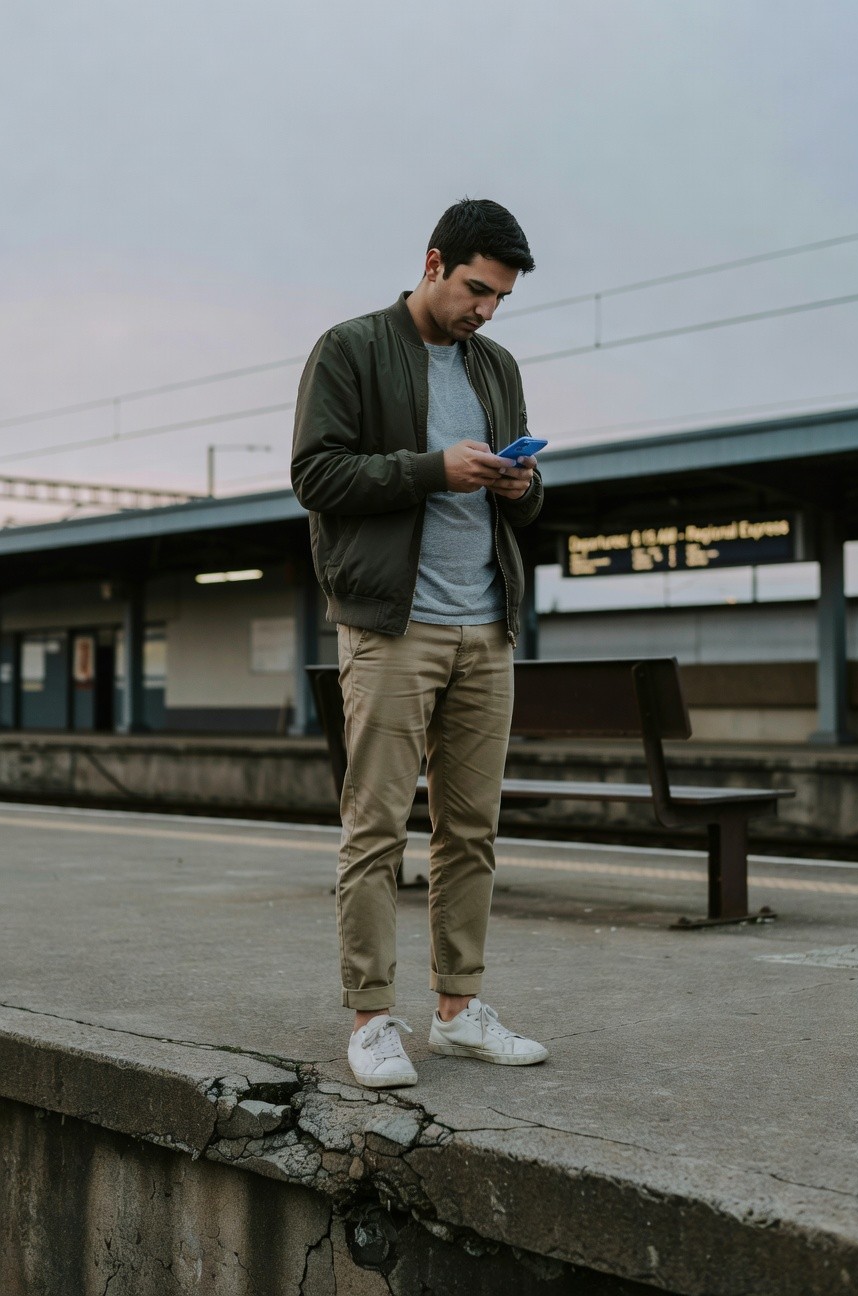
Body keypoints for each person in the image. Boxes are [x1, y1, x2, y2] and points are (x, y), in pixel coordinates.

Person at [291, 198, 548, 1088]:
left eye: (501, 297)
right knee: (376, 830)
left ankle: (458, 1009)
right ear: (434, 262)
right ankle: (371, 1018)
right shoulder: (352, 348)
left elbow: (532, 506)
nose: (486, 308)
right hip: (394, 627)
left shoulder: (497, 365)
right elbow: (315, 475)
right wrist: (433, 469)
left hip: (486, 623)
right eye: (477, 288)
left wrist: (519, 484)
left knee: (471, 829)